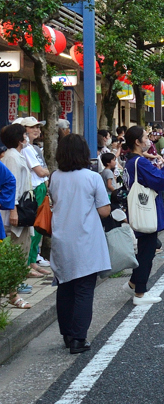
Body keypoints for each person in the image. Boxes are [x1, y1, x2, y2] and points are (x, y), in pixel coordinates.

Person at [48, 134, 111, 354]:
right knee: (84, 289)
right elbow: (104, 210)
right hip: (85, 239)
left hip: (61, 238)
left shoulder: (55, 177)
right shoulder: (92, 178)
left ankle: (66, 335)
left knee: (65, 287)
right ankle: (78, 338)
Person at [123, 125, 164, 306]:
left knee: (146, 248)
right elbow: (163, 181)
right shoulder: (141, 162)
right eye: (145, 137)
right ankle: (140, 293)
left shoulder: (132, 162)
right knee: (147, 251)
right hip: (147, 211)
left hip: (138, 210)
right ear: (137, 142)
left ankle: (133, 283)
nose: (149, 140)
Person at [2, 124, 36, 308]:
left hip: (20, 211)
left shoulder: (16, 155)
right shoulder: (12, 157)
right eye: (25, 133)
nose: (27, 136)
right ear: (18, 137)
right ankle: (13, 294)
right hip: (15, 213)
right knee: (17, 251)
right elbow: (11, 185)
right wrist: (13, 209)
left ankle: (13, 291)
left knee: (21, 250)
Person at [17, 117, 51, 273]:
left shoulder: (32, 147)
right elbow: (40, 171)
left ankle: (33, 260)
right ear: (23, 130)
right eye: (32, 127)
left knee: (39, 226)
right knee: (36, 226)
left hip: (39, 188)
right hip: (35, 188)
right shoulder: (26, 149)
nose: (37, 130)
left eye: (38, 126)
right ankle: (30, 262)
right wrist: (45, 172)